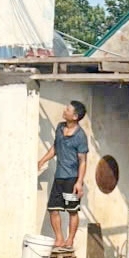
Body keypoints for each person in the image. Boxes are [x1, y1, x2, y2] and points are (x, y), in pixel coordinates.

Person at [38, 100, 89, 248]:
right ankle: (59, 238)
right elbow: (55, 147)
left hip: (72, 179)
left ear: (75, 116)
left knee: (72, 211)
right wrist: (42, 160)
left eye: (68, 109)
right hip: (59, 177)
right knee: (53, 209)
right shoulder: (60, 128)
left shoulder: (80, 136)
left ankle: (70, 240)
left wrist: (79, 182)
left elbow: (83, 161)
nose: (64, 110)